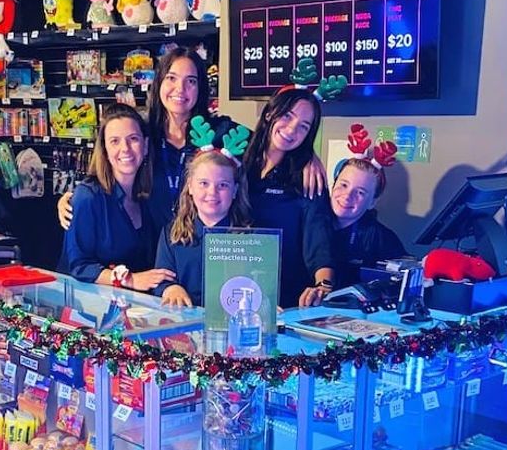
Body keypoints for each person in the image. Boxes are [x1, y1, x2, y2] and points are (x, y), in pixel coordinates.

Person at [57, 47, 328, 231]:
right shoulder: (143, 133)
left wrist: (308, 156)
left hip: (203, 252)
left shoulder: (222, 132)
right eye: (172, 78)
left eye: (191, 81)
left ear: (201, 89)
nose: (180, 89)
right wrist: (76, 196)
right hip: (150, 254)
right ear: (159, 83)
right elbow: (111, 161)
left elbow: (271, 141)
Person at [58, 104, 175, 290]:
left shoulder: (150, 196)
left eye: (133, 139)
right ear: (104, 149)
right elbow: (79, 266)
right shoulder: (88, 197)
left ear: (145, 147)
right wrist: (130, 279)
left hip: (135, 307)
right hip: (87, 308)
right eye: (115, 141)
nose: (125, 148)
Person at [242, 88, 335, 308]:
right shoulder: (236, 159)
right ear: (269, 114)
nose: (292, 130)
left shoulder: (309, 179)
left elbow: (320, 244)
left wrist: (323, 287)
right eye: (287, 116)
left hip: (285, 301)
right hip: (232, 289)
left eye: (304, 127)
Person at [153, 150, 252, 307]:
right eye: (204, 183)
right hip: (185, 324)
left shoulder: (252, 239)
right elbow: (162, 279)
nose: (212, 192)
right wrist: (171, 288)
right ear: (190, 187)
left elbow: (260, 287)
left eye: (223, 185)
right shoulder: (172, 234)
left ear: (234, 191)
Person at [330, 157, 406, 288]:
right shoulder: (309, 222)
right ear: (333, 185)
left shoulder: (381, 238)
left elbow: (406, 274)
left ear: (372, 202)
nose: (348, 196)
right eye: (343, 185)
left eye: (360, 192)